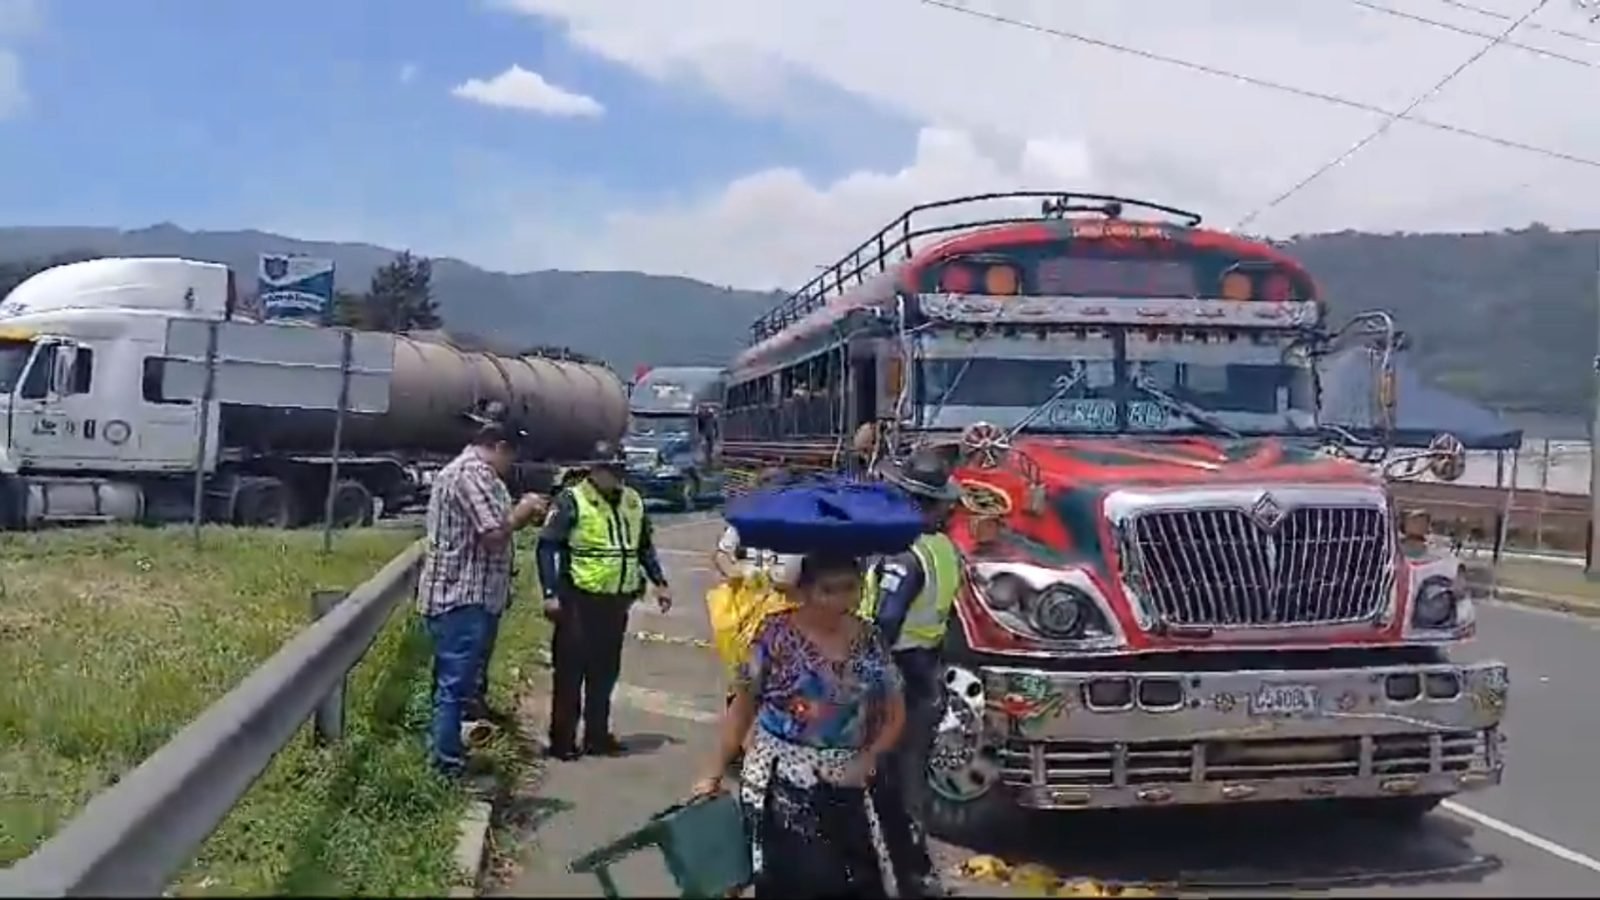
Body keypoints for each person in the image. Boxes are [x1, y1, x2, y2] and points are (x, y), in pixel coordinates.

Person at [692, 552, 908, 898]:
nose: (840, 600)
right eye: (828, 590)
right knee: (791, 882)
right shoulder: (774, 635)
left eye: (849, 589)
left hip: (846, 783)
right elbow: (743, 706)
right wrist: (713, 772)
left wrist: (871, 756)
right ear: (804, 591)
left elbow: (894, 712)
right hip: (780, 782)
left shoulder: (870, 639)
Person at [859, 449, 965, 898]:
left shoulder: (905, 555)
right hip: (927, 671)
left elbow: (886, 619)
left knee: (886, 784)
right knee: (908, 779)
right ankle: (915, 874)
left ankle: (911, 876)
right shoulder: (943, 550)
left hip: (896, 673)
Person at [416, 423, 548, 777]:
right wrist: (524, 509)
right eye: (512, 455)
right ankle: (447, 763)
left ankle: (446, 748)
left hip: (475, 595)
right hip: (462, 596)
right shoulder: (469, 474)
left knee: (456, 681)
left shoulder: (481, 475)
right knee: (455, 685)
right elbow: (492, 534)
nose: (512, 464)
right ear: (500, 447)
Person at [536, 440, 673, 760]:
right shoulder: (572, 500)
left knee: (604, 672)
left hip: (616, 601)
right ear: (593, 470)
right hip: (578, 601)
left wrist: (660, 582)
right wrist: (551, 593)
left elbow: (642, 547)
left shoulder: (632, 501)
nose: (615, 476)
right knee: (570, 673)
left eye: (618, 470)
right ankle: (563, 741)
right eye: (608, 470)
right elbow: (548, 548)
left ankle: (597, 736)